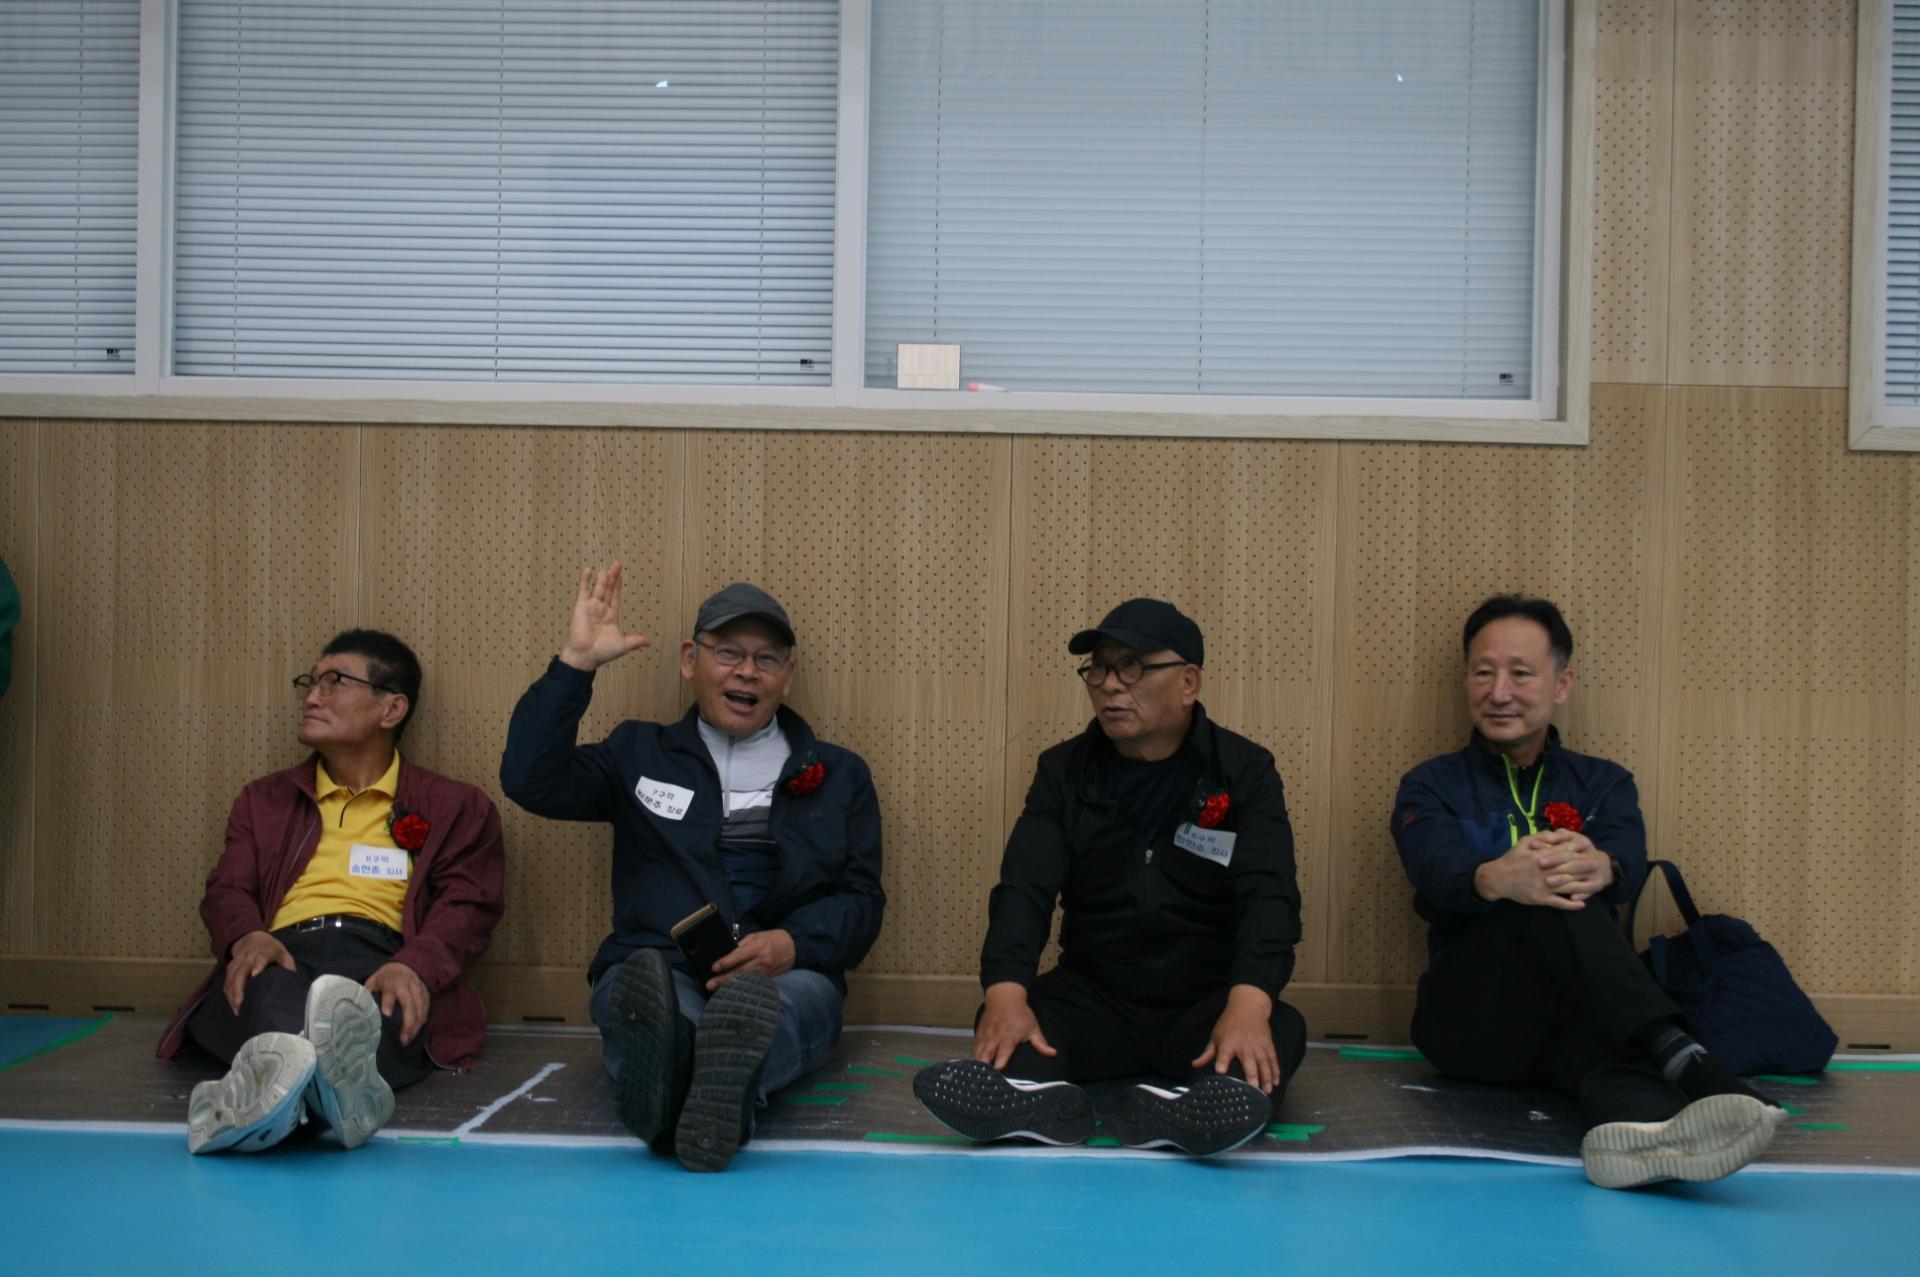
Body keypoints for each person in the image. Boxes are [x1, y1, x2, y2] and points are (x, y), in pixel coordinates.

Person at [500, 566, 884, 1172]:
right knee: (645, 1006)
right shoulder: (637, 752)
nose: (747, 671)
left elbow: (861, 900)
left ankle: (671, 1103)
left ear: (787, 677)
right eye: (728, 652)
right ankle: (713, 1099)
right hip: (659, 965)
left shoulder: (840, 774)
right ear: (689, 660)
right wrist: (576, 664)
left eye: (767, 659)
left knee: (786, 1010)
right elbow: (530, 780)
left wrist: (792, 944)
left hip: (787, 973)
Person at [1392, 595, 1782, 1189]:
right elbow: (1433, 867)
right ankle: (1687, 1058)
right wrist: (1495, 878)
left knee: (1609, 1062)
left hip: (1580, 1016)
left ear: (1562, 684)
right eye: (1483, 672)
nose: (1499, 692)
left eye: (1521, 673)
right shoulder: (1430, 785)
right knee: (1546, 889)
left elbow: (1627, 855)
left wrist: (1604, 866)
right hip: (1471, 1021)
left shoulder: (1604, 782)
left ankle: (1645, 1137)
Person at [915, 598, 1305, 1156]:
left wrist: (1248, 1003)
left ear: (1188, 682)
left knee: (1277, 1029)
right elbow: (1024, 888)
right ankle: (1041, 1107)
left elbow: (1270, 893)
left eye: (1132, 667)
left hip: (1205, 1001)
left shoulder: (1244, 770)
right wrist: (1004, 993)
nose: (1109, 685)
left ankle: (1195, 1111)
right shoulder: (1062, 770)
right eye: (1098, 668)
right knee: (1015, 1021)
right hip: (1094, 997)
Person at [157, 629, 506, 1154]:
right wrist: (247, 935)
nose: (312, 697)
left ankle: (256, 1105)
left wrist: (416, 964)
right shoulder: (265, 799)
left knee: (376, 1012)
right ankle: (326, 1098)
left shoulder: (457, 805)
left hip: (383, 960)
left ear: (391, 709)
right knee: (268, 990)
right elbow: (227, 888)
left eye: (334, 682)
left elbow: (469, 907)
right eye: (311, 682)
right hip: (283, 953)